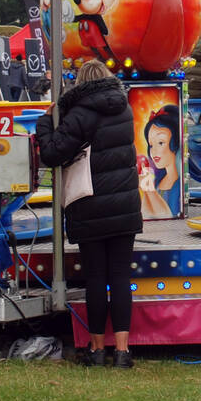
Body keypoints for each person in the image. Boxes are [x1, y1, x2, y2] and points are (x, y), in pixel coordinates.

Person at [34, 59, 142, 368]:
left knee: (96, 277)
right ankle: (122, 351)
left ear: (80, 84)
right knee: (120, 277)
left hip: (89, 203)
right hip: (123, 204)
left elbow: (53, 152)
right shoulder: (124, 108)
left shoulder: (79, 113)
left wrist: (46, 121)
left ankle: (96, 349)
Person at [143, 105, 181, 215]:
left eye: (160, 143)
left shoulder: (177, 185)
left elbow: (169, 214)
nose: (154, 151)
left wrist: (148, 189)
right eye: (151, 145)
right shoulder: (159, 181)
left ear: (175, 141)